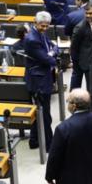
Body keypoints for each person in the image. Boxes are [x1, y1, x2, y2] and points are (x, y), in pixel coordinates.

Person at [23, 12, 59, 151]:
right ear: (35, 22)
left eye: (46, 26)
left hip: (41, 76)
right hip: (39, 81)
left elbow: (53, 45)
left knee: (39, 112)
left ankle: (34, 140)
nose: (44, 28)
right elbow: (48, 59)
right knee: (44, 115)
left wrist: (52, 51)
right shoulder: (32, 39)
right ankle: (49, 145)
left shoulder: (39, 34)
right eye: (42, 26)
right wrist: (52, 54)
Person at [68, 0, 92, 90]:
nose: (88, 15)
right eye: (86, 13)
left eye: (90, 13)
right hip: (84, 61)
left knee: (91, 86)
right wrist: (76, 63)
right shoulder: (80, 27)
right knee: (77, 83)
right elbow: (74, 47)